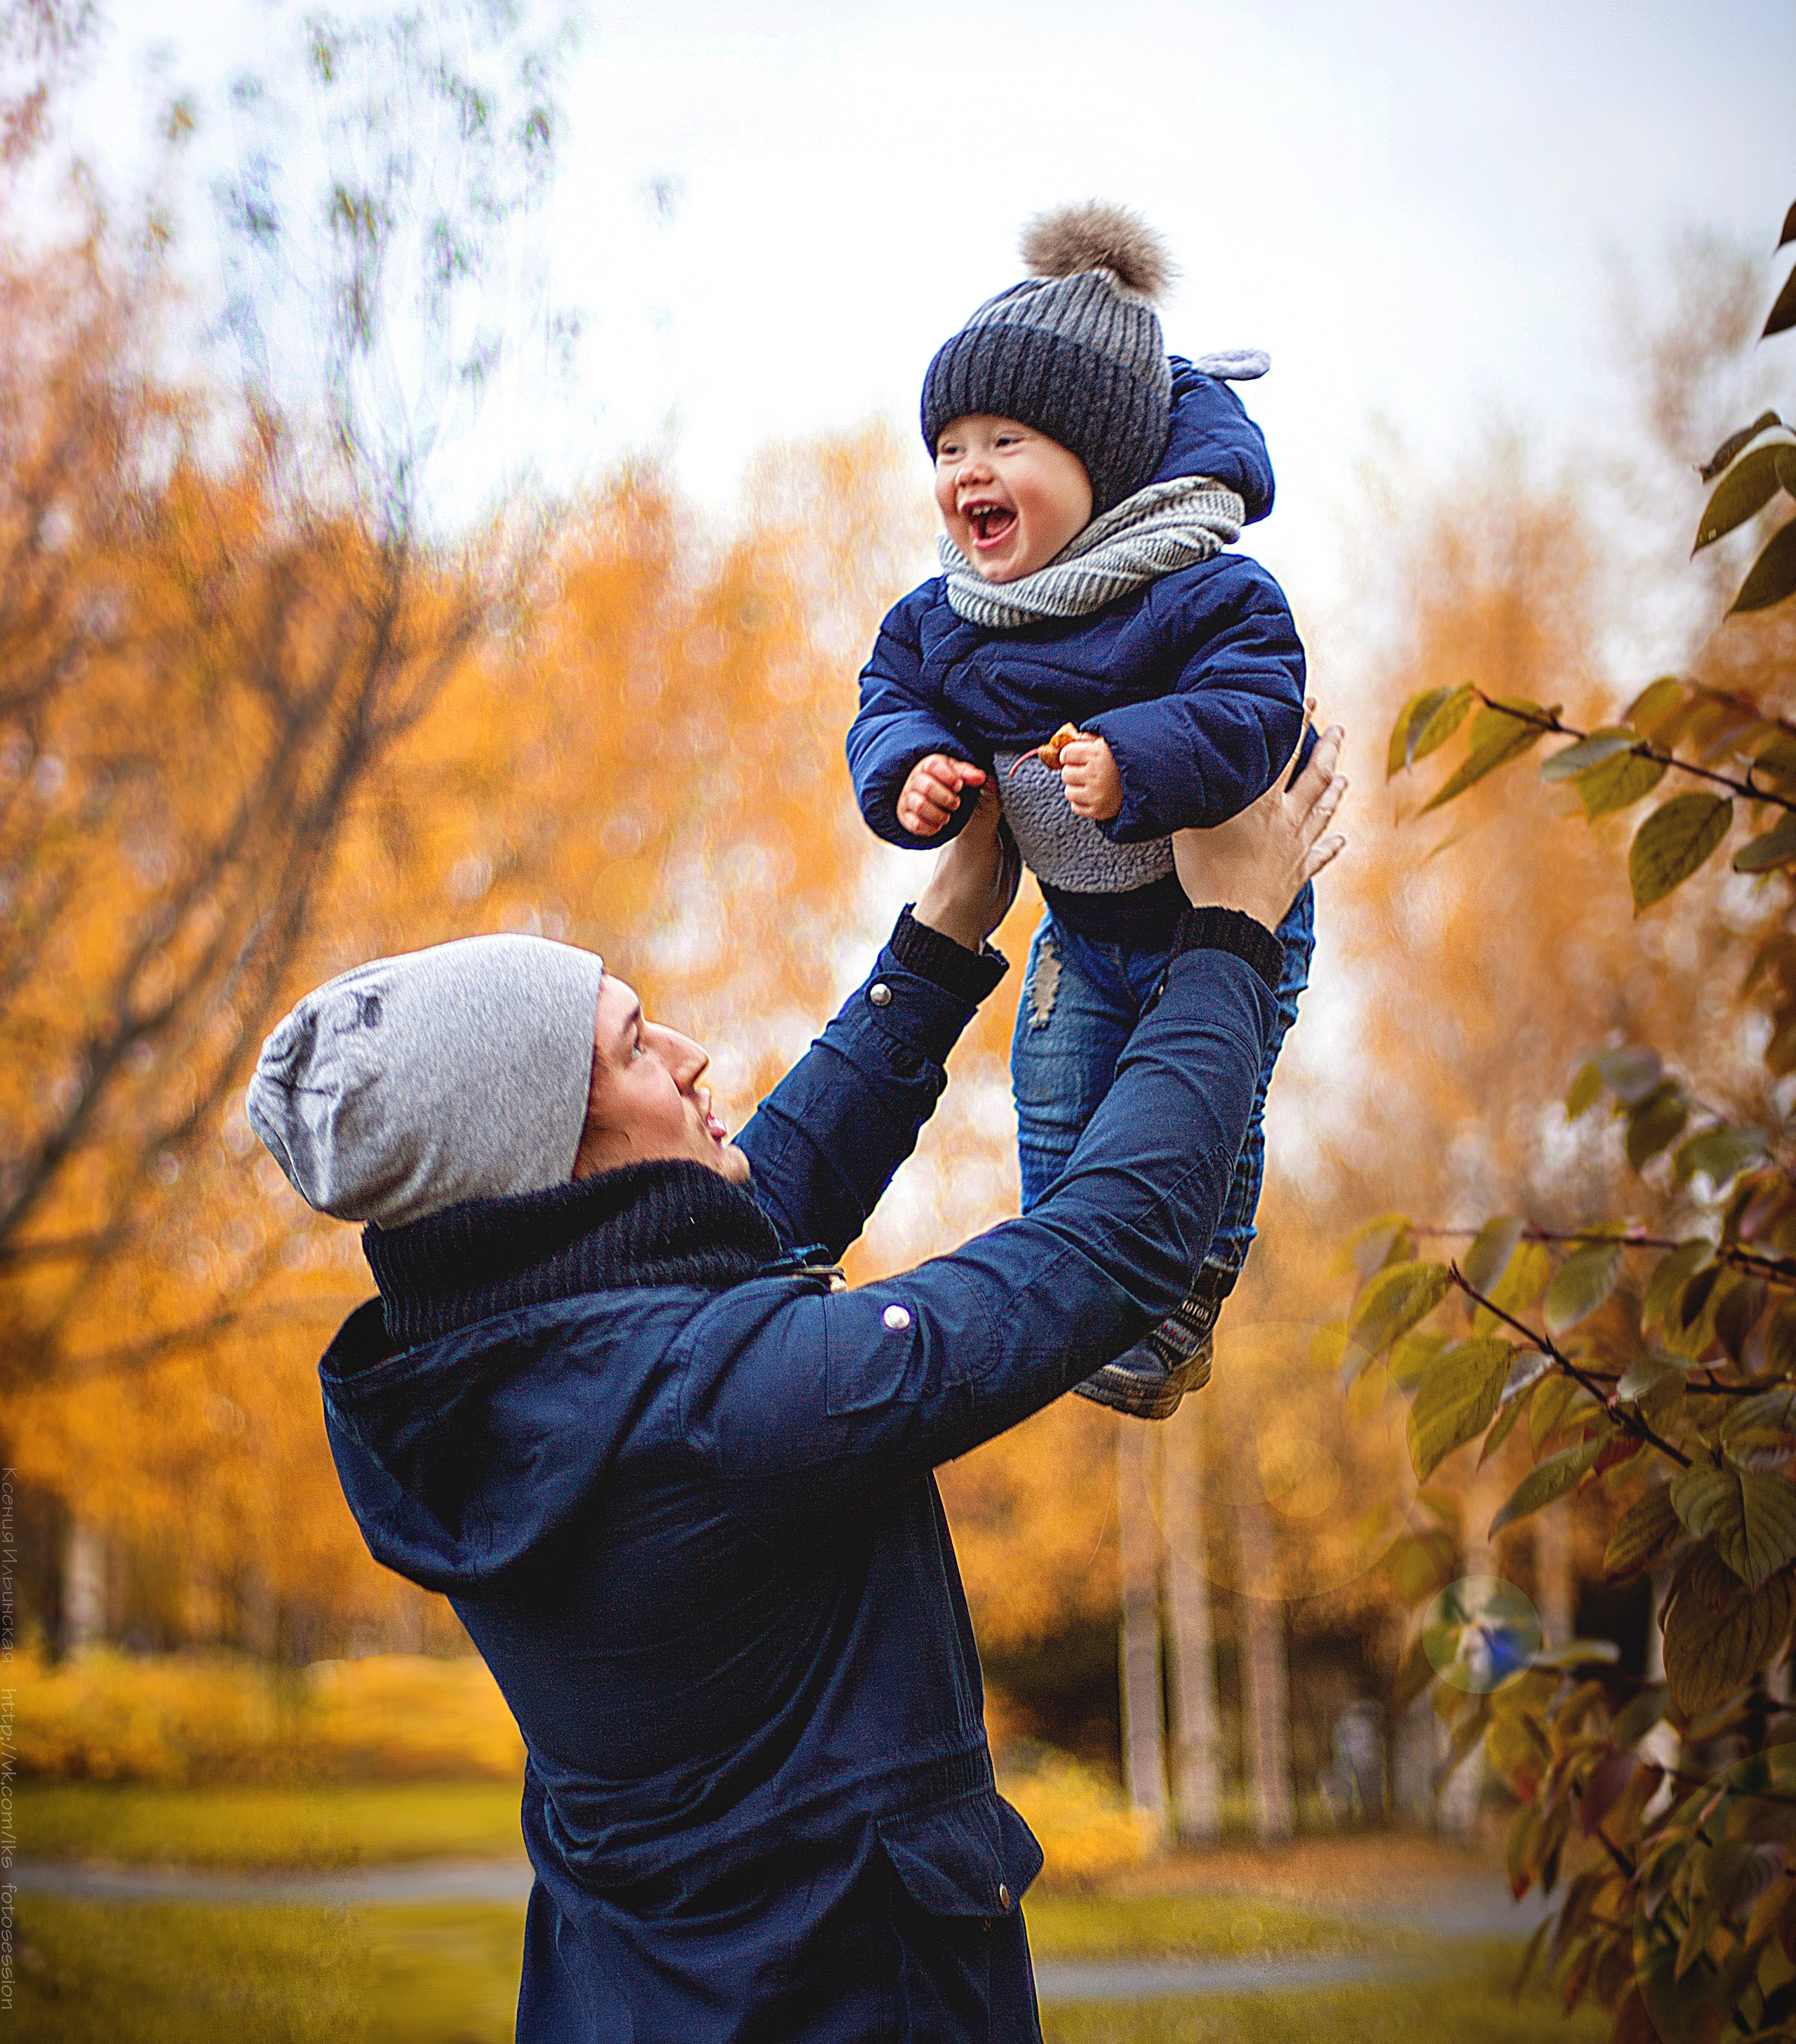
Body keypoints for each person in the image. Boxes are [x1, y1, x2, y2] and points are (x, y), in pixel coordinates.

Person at [248, 728, 1345, 2043]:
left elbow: (751, 1216)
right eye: (639, 1048)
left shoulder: (497, 1373)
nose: (697, 1053)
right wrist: (1233, 934)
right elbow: (1102, 1253)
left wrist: (943, 936)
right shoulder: (725, 1413)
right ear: (553, 1156)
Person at [847, 201, 1311, 1420]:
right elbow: (889, 694)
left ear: (1099, 461)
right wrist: (914, 773)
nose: (969, 472)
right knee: (1054, 1086)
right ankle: (1083, 1292)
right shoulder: (948, 619)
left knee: (1209, 1096)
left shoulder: (1192, 583)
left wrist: (1136, 757)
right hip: (1079, 924)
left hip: (1218, 906)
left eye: (1007, 440)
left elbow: (1259, 695)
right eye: (949, 446)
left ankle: (1184, 1292)